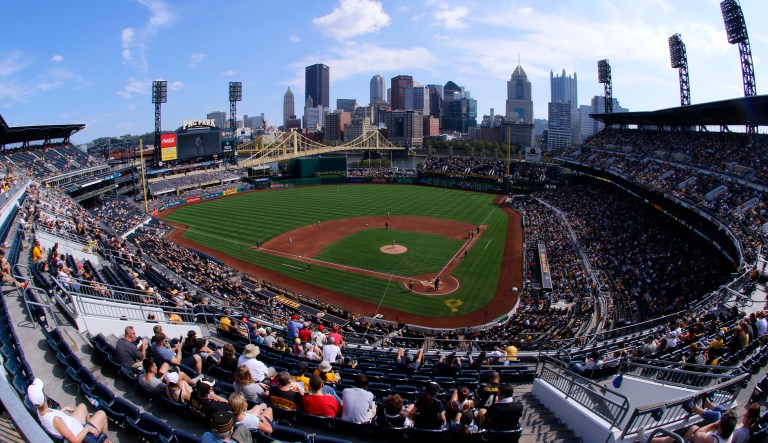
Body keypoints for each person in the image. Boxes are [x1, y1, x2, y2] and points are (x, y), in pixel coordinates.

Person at [27, 378, 111, 443]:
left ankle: (95, 435)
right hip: (79, 434)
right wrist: (87, 428)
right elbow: (75, 441)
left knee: (82, 406)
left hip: (73, 425)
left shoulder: (40, 411)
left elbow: (55, 423)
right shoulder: (56, 420)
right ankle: (101, 439)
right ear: (43, 397)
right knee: (102, 414)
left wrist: (64, 409)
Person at [643, 408, 738, 443]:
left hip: (697, 439)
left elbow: (699, 434)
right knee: (693, 428)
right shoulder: (729, 435)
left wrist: (714, 424)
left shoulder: (713, 440)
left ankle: (646, 440)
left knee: (672, 439)